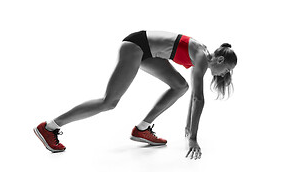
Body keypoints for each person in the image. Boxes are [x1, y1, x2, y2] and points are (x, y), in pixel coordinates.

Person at [33, 30, 237, 160]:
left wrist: (188, 124)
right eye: (227, 69)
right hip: (136, 46)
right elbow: (198, 98)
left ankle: (142, 129)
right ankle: (50, 126)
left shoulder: (202, 55)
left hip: (149, 52)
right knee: (109, 102)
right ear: (219, 60)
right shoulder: (201, 57)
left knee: (179, 86)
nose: (225, 74)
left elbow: (194, 96)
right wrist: (193, 138)